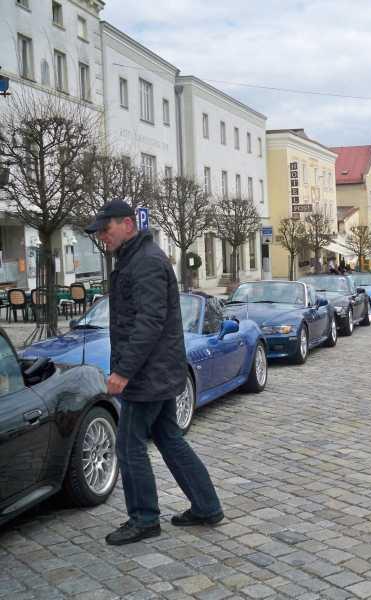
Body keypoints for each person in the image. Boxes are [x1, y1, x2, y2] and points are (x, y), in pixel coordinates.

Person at [86, 200, 224, 546]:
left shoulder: (145, 262)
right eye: (99, 231)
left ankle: (145, 518)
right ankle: (206, 506)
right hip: (158, 372)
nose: (102, 236)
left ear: (128, 224)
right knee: (169, 439)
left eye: (107, 228)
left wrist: (123, 371)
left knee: (129, 446)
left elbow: (148, 323)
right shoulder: (137, 258)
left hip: (148, 375)